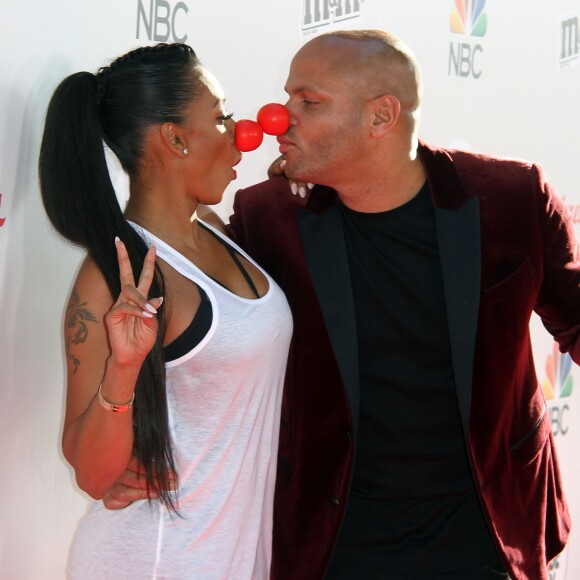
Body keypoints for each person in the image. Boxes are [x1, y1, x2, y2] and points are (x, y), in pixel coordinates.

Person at [104, 30, 580, 579]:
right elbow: (210, 338)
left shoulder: (512, 198)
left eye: (309, 102)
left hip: (491, 537)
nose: (280, 118)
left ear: (382, 116)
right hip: (334, 546)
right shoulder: (269, 218)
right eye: (286, 99)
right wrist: (140, 446)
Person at [38, 42, 292, 578]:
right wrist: (124, 368)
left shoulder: (221, 235)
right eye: (222, 117)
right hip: (159, 561)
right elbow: (92, 472)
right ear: (175, 138)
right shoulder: (114, 274)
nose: (239, 134)